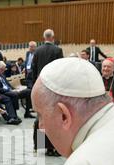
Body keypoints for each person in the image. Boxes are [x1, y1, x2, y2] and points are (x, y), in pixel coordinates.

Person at [31, 28, 63, 156]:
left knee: (41, 117)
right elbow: (61, 69)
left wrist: (35, 85)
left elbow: (33, 70)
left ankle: (40, 145)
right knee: (54, 117)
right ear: (53, 37)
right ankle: (53, 147)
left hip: (40, 87)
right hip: (54, 88)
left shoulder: (37, 51)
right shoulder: (58, 50)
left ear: (44, 37)